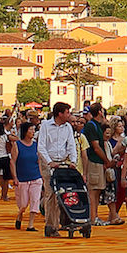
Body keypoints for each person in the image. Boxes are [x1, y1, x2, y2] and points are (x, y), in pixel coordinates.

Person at [35, 102, 79, 238]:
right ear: (60, 114)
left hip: (63, 162)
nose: (69, 115)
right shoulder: (46, 126)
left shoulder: (68, 128)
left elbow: (71, 145)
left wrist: (73, 161)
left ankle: (65, 220)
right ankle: (51, 226)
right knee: (51, 194)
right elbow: (41, 146)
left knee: (66, 191)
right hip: (49, 163)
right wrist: (49, 162)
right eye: (67, 112)